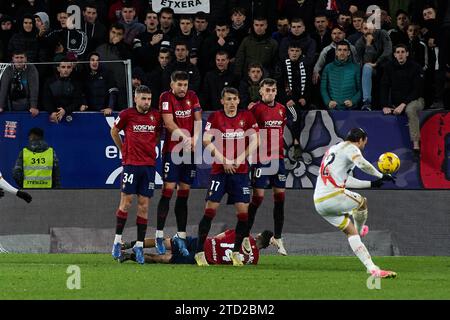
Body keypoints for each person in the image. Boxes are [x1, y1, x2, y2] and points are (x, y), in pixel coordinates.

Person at [313, 128, 397, 279]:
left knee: (351, 233)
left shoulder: (334, 149)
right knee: (362, 203)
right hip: (332, 195)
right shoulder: (351, 148)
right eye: (365, 142)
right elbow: (362, 164)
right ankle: (360, 228)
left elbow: (347, 180)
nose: (364, 145)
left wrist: (372, 184)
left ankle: (372, 269)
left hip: (319, 202)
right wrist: (381, 175)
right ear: (360, 140)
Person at [194, 87, 259, 267]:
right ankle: (199, 252)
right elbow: (206, 140)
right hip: (219, 171)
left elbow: (256, 141)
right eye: (228, 99)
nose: (231, 103)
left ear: (239, 101)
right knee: (210, 211)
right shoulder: (216, 117)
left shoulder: (247, 117)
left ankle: (236, 253)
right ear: (222, 101)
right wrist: (223, 161)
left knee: (243, 214)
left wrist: (239, 158)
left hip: (240, 172)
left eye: (234, 99)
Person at [110, 85, 162, 264]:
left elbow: (157, 135)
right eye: (143, 98)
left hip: (148, 166)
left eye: (149, 99)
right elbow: (114, 131)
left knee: (144, 206)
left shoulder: (156, 116)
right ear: (136, 98)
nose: (147, 102)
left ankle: (139, 245)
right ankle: (117, 241)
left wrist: (149, 150)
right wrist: (123, 149)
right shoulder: (127, 114)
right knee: (126, 202)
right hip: (131, 164)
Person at [155, 71, 202, 256]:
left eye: (185, 85)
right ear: (172, 84)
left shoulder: (193, 96)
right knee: (167, 191)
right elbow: (168, 122)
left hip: (189, 151)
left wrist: (195, 139)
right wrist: (186, 137)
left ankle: (181, 237)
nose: (183, 89)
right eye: (179, 85)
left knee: (184, 194)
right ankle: (159, 235)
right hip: (172, 151)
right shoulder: (165, 97)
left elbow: (198, 120)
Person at [247, 78, 288, 255]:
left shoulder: (281, 109)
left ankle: (278, 237)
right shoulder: (255, 110)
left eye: (273, 90)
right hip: (261, 159)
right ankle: (243, 236)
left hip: (278, 159)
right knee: (258, 198)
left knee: (280, 198)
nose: (270, 93)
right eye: (267, 90)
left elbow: (281, 130)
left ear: (276, 91)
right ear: (261, 92)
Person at [119, 229, 274, 265]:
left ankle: (128, 244)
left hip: (203, 244)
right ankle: (128, 256)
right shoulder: (254, 259)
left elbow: (219, 236)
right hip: (205, 259)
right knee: (165, 258)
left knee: (165, 242)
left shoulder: (243, 234)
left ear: (259, 236)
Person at [380, 44, 425, 157]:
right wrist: (385, 105)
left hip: (416, 99)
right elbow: (384, 86)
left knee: (410, 110)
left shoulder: (415, 67)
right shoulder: (389, 67)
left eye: (402, 52)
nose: (400, 54)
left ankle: (415, 145)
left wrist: (403, 105)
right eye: (398, 52)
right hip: (398, 102)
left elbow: (417, 90)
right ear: (394, 55)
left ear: (407, 54)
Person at [355, 19, 393, 111]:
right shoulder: (359, 43)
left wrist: (377, 62)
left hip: (385, 64)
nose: (368, 30)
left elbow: (388, 51)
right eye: (365, 28)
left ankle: (391, 102)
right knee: (366, 67)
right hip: (372, 68)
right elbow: (366, 61)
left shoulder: (383, 33)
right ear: (361, 30)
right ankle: (367, 102)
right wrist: (368, 44)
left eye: (370, 28)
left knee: (389, 67)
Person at [320, 41, 362, 110]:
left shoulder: (356, 68)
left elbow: (360, 90)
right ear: (336, 52)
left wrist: (353, 101)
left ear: (348, 53)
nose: (342, 53)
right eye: (339, 50)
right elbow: (323, 88)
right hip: (332, 110)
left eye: (345, 50)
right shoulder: (328, 68)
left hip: (351, 110)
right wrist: (328, 102)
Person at [43, 59, 87, 123]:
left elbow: (77, 101)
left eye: (68, 67)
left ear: (72, 69)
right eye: (63, 67)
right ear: (58, 69)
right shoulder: (49, 82)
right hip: (54, 116)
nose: (66, 70)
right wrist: (52, 112)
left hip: (71, 118)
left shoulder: (76, 83)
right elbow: (46, 100)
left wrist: (65, 110)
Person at [0, 51, 39, 115]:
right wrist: (0, 106)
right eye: (17, 57)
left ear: (26, 59)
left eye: (21, 57)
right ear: (13, 59)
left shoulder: (32, 68)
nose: (19, 60)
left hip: (27, 105)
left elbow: (34, 89)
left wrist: (33, 106)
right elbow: (4, 88)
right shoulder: (8, 69)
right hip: (11, 105)